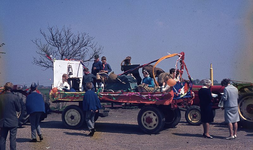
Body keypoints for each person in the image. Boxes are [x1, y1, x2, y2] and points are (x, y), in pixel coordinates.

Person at [0, 82, 21, 150]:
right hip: (12, 121)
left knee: (2, 139)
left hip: (3, 121)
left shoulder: (1, 97)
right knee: (12, 139)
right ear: (11, 88)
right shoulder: (15, 97)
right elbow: (18, 109)